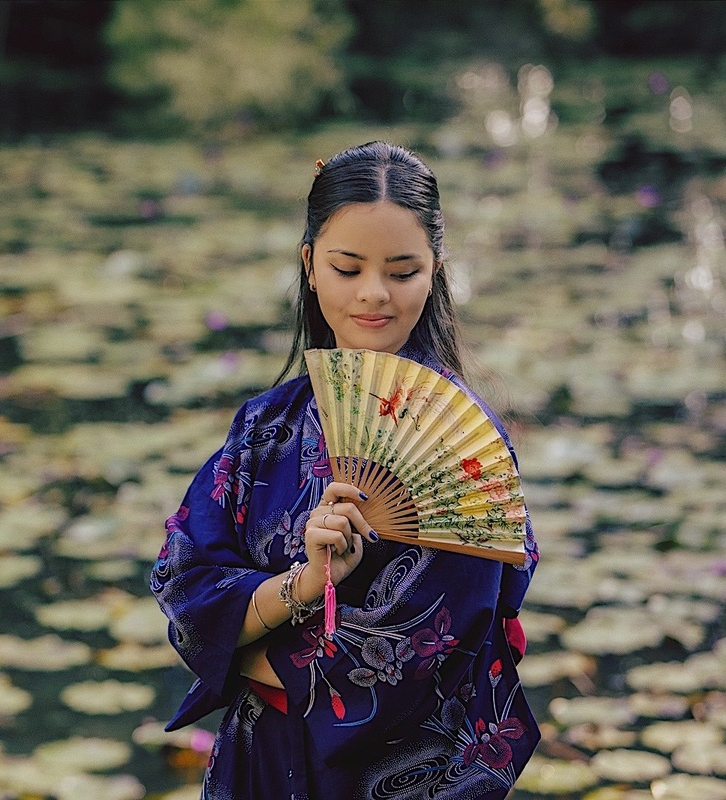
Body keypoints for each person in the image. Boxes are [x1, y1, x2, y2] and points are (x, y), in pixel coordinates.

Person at [150, 142, 540, 799]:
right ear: (309, 265)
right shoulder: (265, 427)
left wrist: (245, 643)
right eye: (347, 266)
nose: (373, 294)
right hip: (261, 763)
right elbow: (185, 584)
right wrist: (305, 586)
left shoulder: (461, 448)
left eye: (403, 271)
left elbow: (423, 659)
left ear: (436, 272)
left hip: (398, 777)